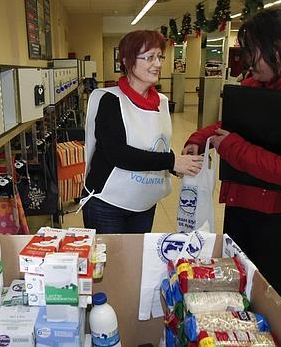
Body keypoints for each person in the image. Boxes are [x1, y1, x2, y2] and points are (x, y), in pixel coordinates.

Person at [182, 8, 281, 306]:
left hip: (276, 218)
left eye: (253, 51)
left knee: (269, 291)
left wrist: (233, 147)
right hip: (240, 205)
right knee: (238, 281)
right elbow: (230, 127)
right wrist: (202, 138)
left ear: (278, 48)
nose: (248, 60)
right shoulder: (253, 86)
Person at [80, 30, 204, 234]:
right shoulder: (110, 101)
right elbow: (118, 154)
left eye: (159, 56)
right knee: (111, 264)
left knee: (137, 261)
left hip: (144, 201)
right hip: (108, 202)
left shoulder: (162, 102)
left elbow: (156, 145)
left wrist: (178, 166)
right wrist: (171, 161)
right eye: (149, 57)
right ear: (128, 61)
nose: (157, 64)